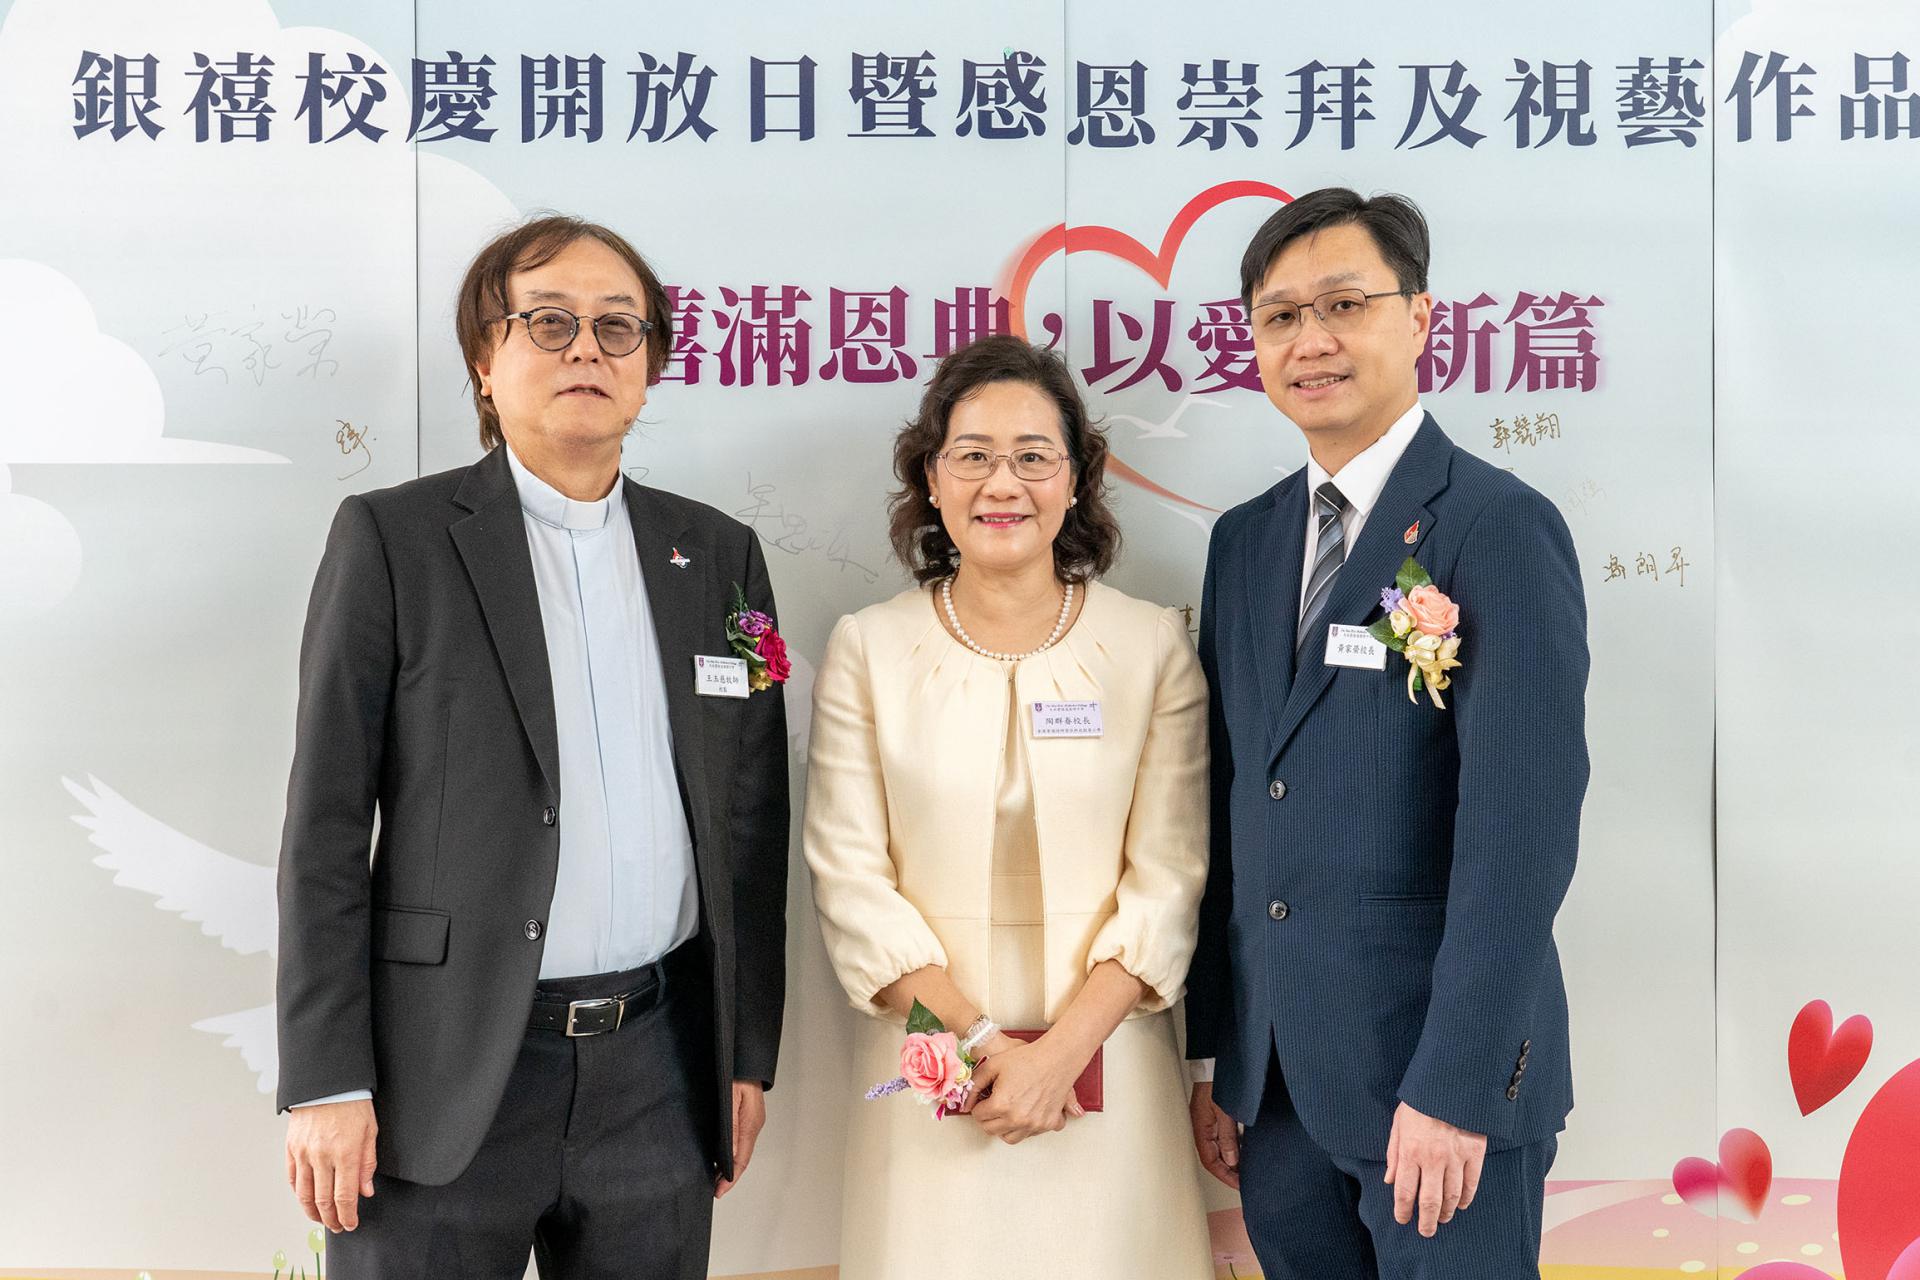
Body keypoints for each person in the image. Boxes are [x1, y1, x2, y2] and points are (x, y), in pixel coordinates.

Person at [275, 215, 789, 1277]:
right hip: (443, 1068)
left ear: (650, 364)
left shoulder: (718, 555)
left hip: (659, 1070)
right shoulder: (395, 541)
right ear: (485, 356)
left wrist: (744, 1054)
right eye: (549, 322)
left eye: (617, 326)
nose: (586, 349)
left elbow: (750, 821)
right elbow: (325, 826)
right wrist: (327, 1078)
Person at [1185, 188, 1589, 1279]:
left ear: (1418, 319)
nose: (1310, 340)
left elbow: (1521, 837)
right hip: (1277, 1093)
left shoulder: (1497, 525)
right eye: (1279, 317)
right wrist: (1224, 1058)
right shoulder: (1244, 543)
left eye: (1343, 304)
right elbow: (1233, 801)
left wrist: (1456, 1086)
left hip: (1434, 1092)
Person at [803, 335, 1214, 1280]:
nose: (1003, 484)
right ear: (931, 479)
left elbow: (1170, 876)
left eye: (1034, 456)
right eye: (973, 455)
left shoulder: (1150, 645)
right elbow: (851, 884)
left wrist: (1059, 1056)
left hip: (1108, 1063)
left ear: (1076, 481)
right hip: (935, 1073)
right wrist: (989, 1046)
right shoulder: (869, 648)